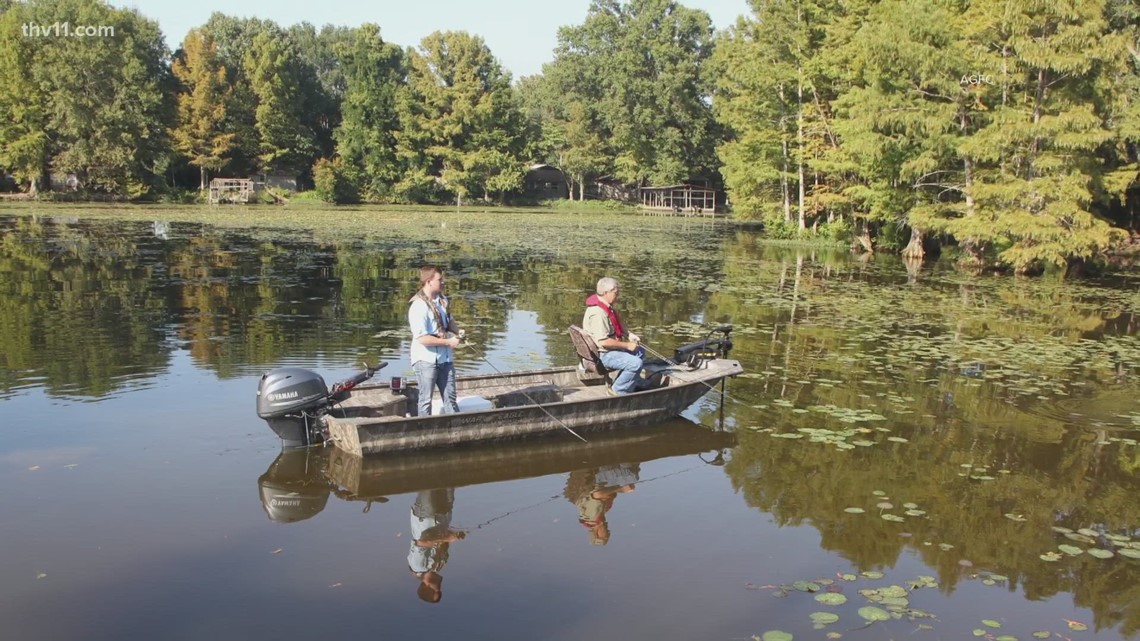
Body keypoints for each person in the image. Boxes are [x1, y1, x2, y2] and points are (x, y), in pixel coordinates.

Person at [582, 276, 665, 395]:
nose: (618, 295)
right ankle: (618, 390)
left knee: (639, 351)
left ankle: (634, 381)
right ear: (606, 293)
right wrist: (627, 346)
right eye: (615, 293)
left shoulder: (605, 306)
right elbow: (603, 342)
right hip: (602, 355)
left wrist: (629, 335)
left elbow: (617, 323)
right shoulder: (598, 313)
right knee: (636, 363)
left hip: (606, 350)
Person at [408, 265, 464, 416]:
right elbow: (422, 338)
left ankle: (455, 430)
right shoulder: (418, 306)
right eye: (440, 279)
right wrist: (449, 342)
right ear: (429, 281)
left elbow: (449, 321)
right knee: (426, 400)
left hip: (445, 359)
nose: (443, 282)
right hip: (425, 360)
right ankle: (423, 432)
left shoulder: (443, 300)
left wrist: (458, 331)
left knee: (451, 399)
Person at [408, 488, 466, 604]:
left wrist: (448, 538)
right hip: (444, 515)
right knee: (449, 482)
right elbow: (444, 538)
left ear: (427, 586)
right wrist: (456, 535)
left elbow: (423, 541)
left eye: (437, 590)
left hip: (425, 515)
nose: (440, 588)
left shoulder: (418, 566)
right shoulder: (440, 565)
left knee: (428, 484)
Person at [566, 463, 640, 546]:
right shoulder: (598, 516)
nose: (608, 530)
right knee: (630, 475)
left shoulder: (591, 516)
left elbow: (597, 494)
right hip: (600, 480)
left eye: (606, 533)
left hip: (596, 477)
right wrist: (620, 490)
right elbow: (608, 493)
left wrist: (622, 489)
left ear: (597, 533)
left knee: (632, 476)